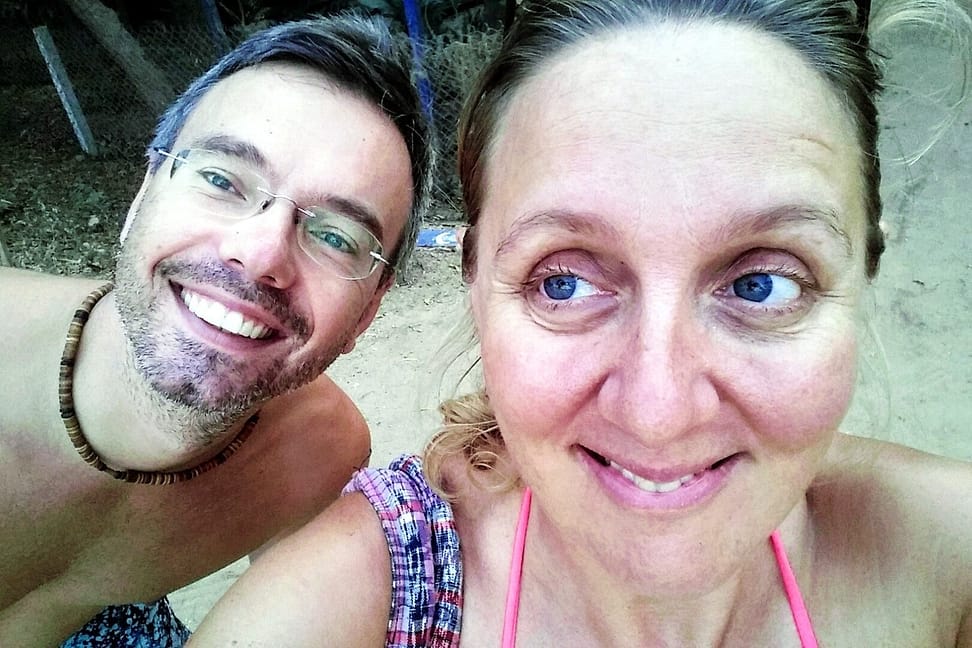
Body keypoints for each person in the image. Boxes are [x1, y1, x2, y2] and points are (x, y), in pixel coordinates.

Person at [190, 1, 972, 646]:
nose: (659, 415)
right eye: (562, 283)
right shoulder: (347, 607)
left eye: (761, 285)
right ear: (473, 283)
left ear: (862, 271)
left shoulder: (949, 561)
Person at [0, 13, 431, 648]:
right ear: (144, 195)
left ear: (368, 312)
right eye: (222, 181)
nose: (260, 254)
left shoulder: (320, 453)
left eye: (336, 237)